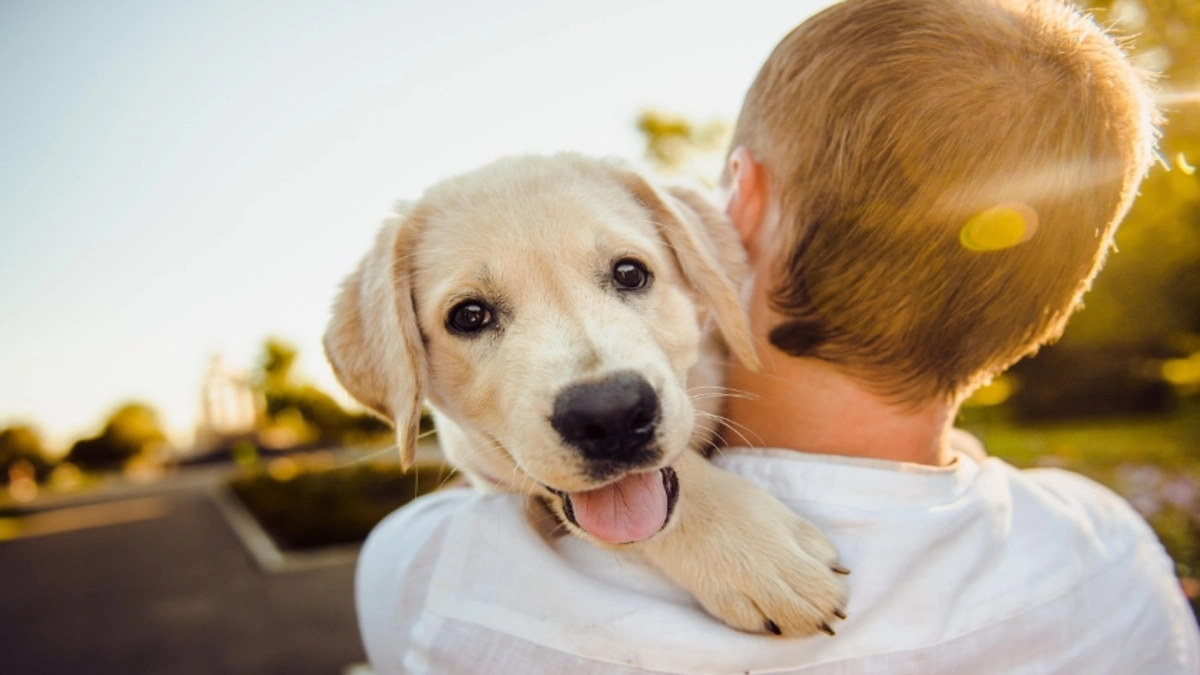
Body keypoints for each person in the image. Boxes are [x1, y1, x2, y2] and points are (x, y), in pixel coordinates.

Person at [355, 0, 1200, 672]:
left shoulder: (436, 582)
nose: (601, 382)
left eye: (627, 274)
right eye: (474, 316)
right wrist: (693, 509)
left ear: (738, 207)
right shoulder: (1113, 552)